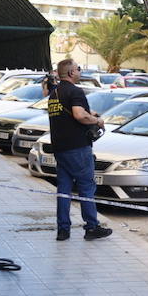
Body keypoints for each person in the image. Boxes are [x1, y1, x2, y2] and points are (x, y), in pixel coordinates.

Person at [46, 58, 112, 241]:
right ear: (71, 73)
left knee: (64, 189)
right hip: (77, 148)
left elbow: (70, 114)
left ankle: (63, 229)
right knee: (86, 187)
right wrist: (97, 121)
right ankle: (92, 227)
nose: (80, 71)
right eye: (78, 69)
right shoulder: (75, 91)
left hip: (60, 148)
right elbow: (77, 114)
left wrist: (89, 114)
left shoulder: (55, 93)